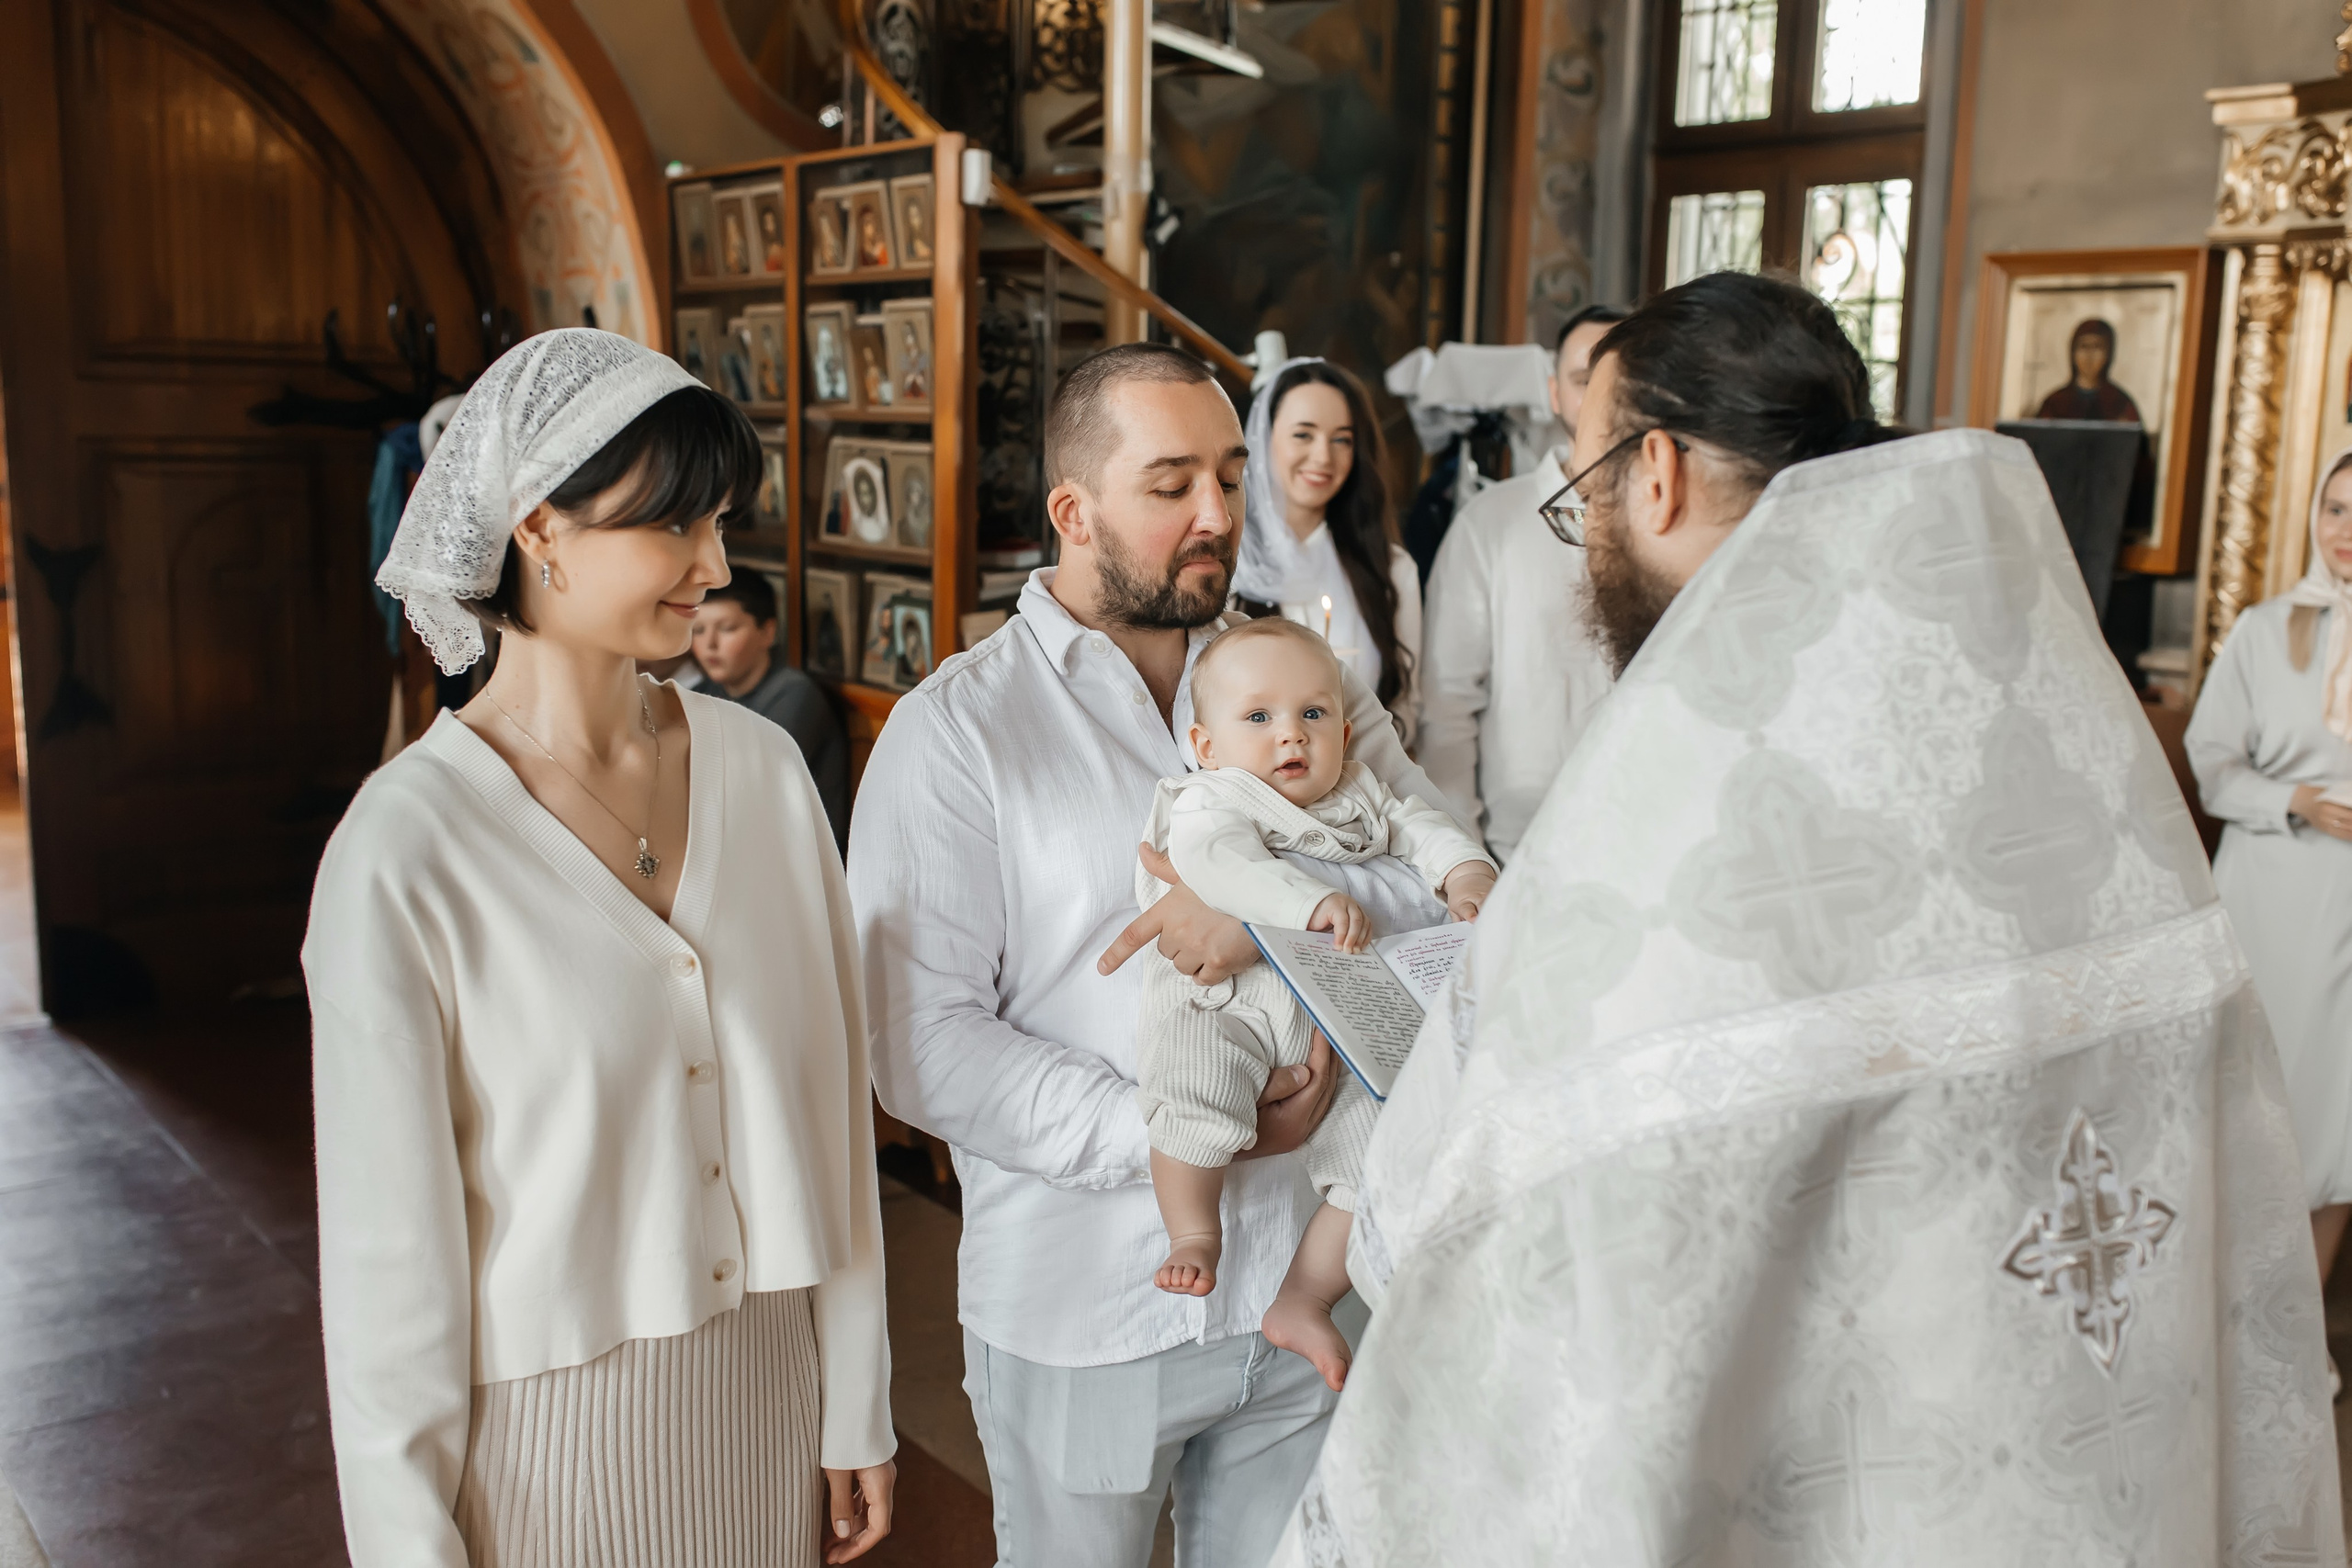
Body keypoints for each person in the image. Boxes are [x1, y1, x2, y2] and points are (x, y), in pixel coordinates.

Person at [1271, 272, 2340, 1565]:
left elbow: (1462, 1202)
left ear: (1652, 471)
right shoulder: (2062, 736)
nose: (1594, 523)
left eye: (1591, 488)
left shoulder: (1661, 813)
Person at [850, 342, 1476, 1568]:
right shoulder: (958, 732)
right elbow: (920, 1048)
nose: (1218, 516)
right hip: (1091, 1302)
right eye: (1172, 481)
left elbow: (1442, 886)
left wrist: (1264, 916)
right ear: (1073, 511)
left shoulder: (1306, 677)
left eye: (1234, 478)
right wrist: (1178, 1130)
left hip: (1308, 1282)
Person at [309, 330, 896, 1568]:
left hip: (768, 1405)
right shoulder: (406, 850)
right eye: (675, 526)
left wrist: (857, 1392)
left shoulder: (765, 771)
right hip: (547, 1452)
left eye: (721, 521)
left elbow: (834, 1114)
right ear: (538, 527)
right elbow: (388, 1265)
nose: (715, 566)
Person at [1136, 615, 1494, 1391]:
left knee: (1381, 1165)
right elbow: (1217, 863)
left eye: (1313, 714)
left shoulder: (1361, 794)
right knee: (1194, 1083)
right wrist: (1306, 904)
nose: (1290, 735)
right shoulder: (1209, 799)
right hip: (1231, 1007)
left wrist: (1464, 873)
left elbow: (1424, 829)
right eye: (1259, 718)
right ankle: (1193, 1231)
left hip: (1332, 1022)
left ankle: (1304, 1296)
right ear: (1206, 745)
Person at [2189, 444, 2352, 1315]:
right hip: (2273, 887)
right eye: (2335, 508)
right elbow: (2211, 765)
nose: (2347, 530)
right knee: (2263, 1096)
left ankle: (2297, 1326)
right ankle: (2228, 1319)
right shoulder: (2263, 629)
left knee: (2341, 1111)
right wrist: (2298, 799)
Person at [1417, 304, 1625, 862]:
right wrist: (1465, 854)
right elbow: (1448, 706)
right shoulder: (1492, 521)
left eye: (1623, 380)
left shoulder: (1672, 523)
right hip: (1518, 846)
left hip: (1640, 837)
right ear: (1556, 393)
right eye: (1587, 380)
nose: (1607, 398)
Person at [1232, 358, 1423, 744]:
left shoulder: (1391, 569)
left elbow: (1406, 704)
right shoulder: (1229, 564)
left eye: (1342, 439)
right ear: (1264, 440)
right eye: (1304, 435)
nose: (1323, 457)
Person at [692, 572, 852, 851]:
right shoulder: (703, 692)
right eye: (698, 630)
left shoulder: (795, 694)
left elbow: (746, 789)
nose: (710, 644)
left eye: (727, 628)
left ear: (767, 632)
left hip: (797, 856)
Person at [2035, 317, 2143, 423]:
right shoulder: (2055, 402)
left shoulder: (2120, 402)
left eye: (2097, 347)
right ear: (2072, 352)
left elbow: (2134, 437)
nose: (2089, 355)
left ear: (2109, 353)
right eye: (2083, 346)